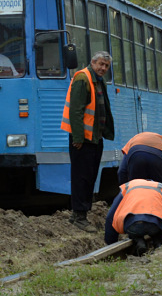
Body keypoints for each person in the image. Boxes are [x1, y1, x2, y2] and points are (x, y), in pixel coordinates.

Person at [61, 51, 115, 231]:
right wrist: (78, 138)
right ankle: (80, 216)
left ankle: (79, 214)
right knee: (81, 177)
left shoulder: (99, 81)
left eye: (106, 66)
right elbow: (75, 111)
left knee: (90, 177)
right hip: (83, 139)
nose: (103, 68)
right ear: (93, 63)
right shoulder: (82, 79)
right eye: (101, 64)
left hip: (95, 138)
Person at [104, 178, 162, 255]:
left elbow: (110, 218)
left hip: (132, 225)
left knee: (134, 225)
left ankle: (138, 240)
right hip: (155, 225)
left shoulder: (127, 187)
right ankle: (158, 244)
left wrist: (111, 244)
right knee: (156, 227)